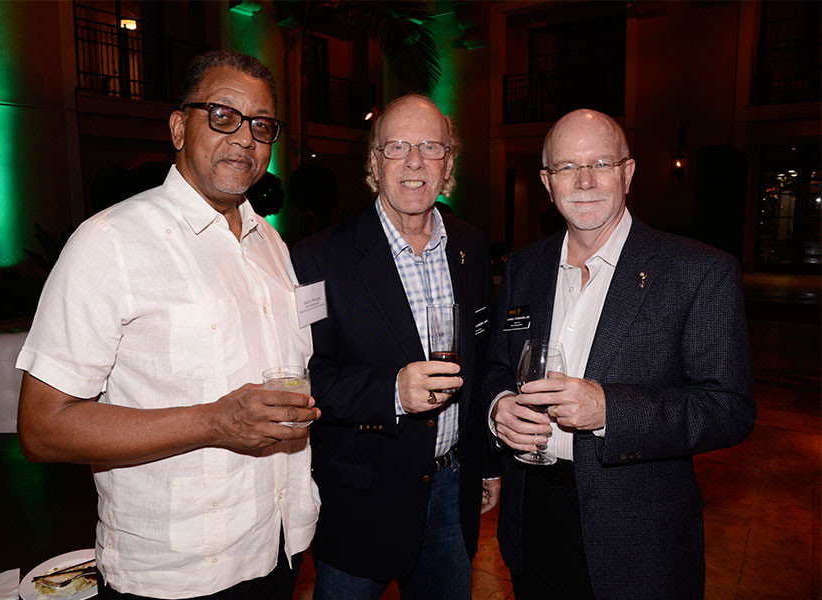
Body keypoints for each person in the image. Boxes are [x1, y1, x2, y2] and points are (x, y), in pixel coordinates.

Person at [15, 50, 321, 600]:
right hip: (173, 575)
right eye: (223, 115)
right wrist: (213, 421)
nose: (245, 138)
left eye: (262, 125)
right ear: (180, 127)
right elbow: (42, 428)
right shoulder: (108, 242)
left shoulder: (271, 244)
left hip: (277, 549)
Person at [484, 108, 755, 600]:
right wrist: (498, 405)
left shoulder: (698, 271)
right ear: (547, 182)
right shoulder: (524, 267)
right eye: (567, 167)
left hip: (638, 541)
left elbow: (729, 409)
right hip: (533, 523)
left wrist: (611, 410)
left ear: (627, 173)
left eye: (602, 163)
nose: (584, 181)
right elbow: (499, 366)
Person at [291, 94, 499, 599]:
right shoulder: (319, 259)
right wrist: (392, 391)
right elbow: (304, 377)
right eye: (397, 147)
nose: (413, 162)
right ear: (374, 161)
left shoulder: (472, 246)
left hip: (453, 490)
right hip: (362, 503)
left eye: (430, 147)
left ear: (448, 162)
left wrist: (488, 462)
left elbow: (487, 357)